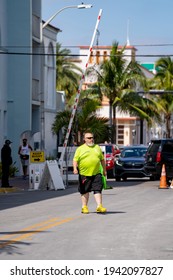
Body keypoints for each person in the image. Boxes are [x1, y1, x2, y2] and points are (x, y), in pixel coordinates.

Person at [73, 131, 107, 214]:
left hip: (96, 173)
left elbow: (102, 160)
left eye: (92, 138)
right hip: (84, 174)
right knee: (85, 191)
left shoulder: (97, 147)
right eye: (89, 138)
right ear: (84, 139)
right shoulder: (80, 149)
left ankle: (99, 206)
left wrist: (104, 170)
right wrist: (75, 168)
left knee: (98, 189)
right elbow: (75, 160)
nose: (91, 139)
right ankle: (84, 207)